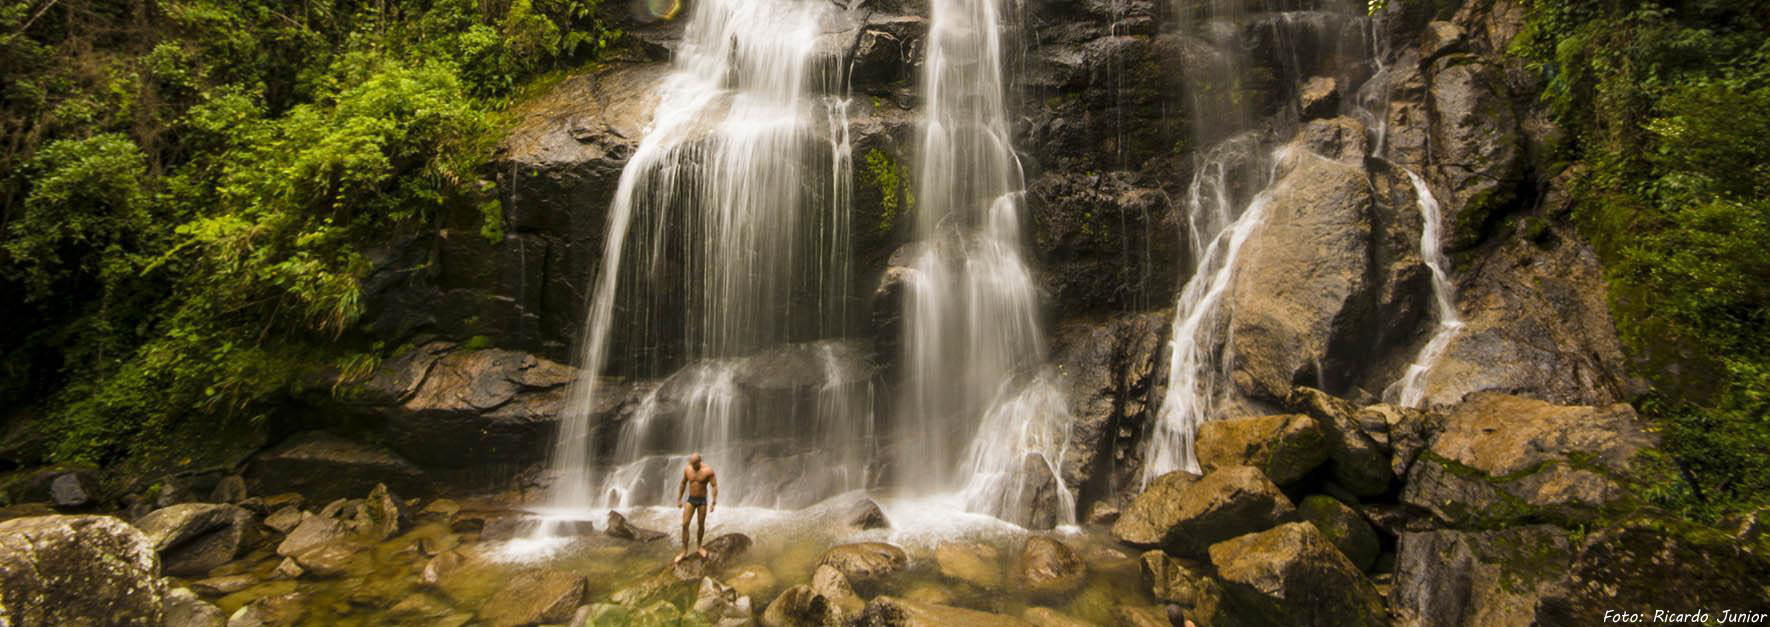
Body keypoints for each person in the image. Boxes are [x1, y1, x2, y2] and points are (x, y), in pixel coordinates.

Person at [674, 452, 718, 563]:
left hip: (702, 501)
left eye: (694, 464)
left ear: (699, 462)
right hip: (691, 500)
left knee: (701, 524)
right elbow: (683, 483)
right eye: (691, 464)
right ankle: (684, 551)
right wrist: (679, 499)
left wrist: (714, 502)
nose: (692, 466)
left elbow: (714, 485)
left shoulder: (708, 471)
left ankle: (699, 547)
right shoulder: (688, 469)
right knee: (685, 524)